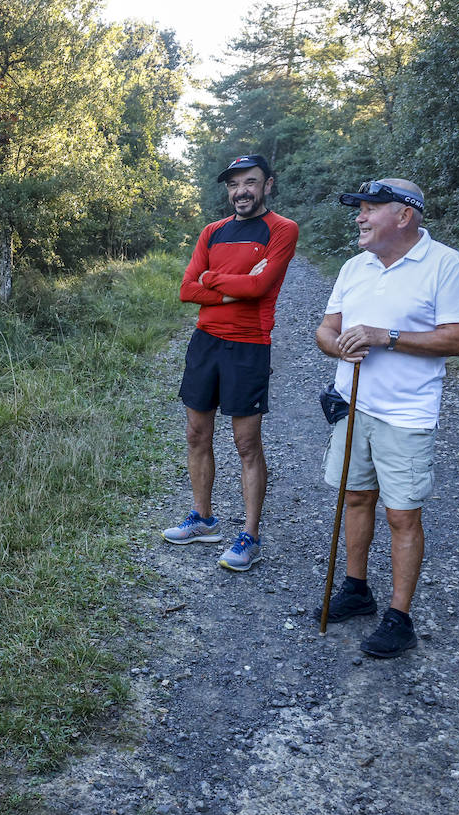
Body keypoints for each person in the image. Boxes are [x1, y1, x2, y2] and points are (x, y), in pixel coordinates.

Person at [314, 178, 459, 658]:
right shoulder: (354, 266)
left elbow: (456, 339)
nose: (359, 218)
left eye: (369, 209)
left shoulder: (445, 264)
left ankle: (399, 617)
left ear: (403, 215)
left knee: (402, 514)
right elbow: (327, 329)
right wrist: (337, 344)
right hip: (351, 404)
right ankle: (357, 588)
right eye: (358, 209)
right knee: (356, 498)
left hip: (406, 412)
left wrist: (389, 336)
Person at [164, 154, 299, 571]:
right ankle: (203, 519)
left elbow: (260, 286)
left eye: (250, 182)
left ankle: (250, 536)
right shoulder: (212, 231)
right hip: (205, 343)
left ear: (268, 185)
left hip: (248, 346)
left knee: (246, 444)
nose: (241, 191)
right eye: (234, 184)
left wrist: (212, 279)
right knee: (196, 434)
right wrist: (228, 289)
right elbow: (187, 289)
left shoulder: (282, 229)